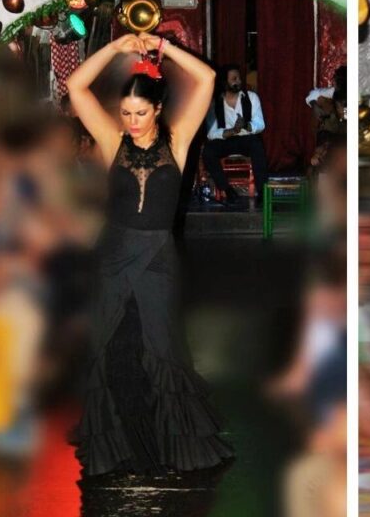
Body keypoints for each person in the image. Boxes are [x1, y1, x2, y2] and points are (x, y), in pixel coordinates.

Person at [66, 32, 233, 476]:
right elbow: (76, 88)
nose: (132, 120)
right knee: (110, 344)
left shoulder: (178, 140)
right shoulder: (111, 139)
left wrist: (163, 46)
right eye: (125, 113)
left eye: (140, 113)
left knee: (162, 346)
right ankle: (118, 438)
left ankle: (170, 442)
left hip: (158, 256)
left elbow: (208, 77)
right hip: (114, 252)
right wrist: (114, 49)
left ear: (158, 109)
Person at [202, 64, 268, 208]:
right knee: (208, 151)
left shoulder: (251, 97)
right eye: (234, 79)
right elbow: (211, 133)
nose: (238, 81)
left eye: (238, 78)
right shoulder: (214, 102)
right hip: (225, 140)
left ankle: (262, 191)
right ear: (224, 82)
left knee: (257, 144)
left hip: (245, 138)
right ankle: (227, 190)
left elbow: (260, 124)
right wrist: (231, 131)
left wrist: (245, 125)